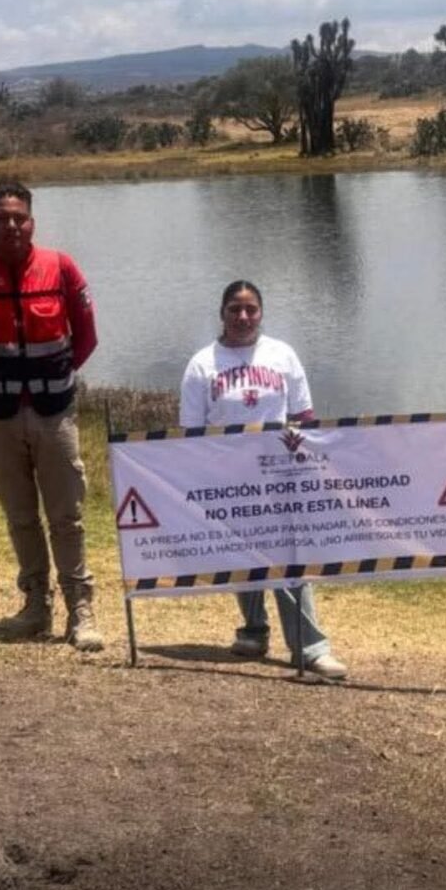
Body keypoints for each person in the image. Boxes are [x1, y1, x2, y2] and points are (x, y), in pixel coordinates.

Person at [0, 178, 103, 651]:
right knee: (20, 516)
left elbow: (86, 338)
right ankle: (36, 606)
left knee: (67, 515)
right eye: (1, 218)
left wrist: (53, 378)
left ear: (32, 221)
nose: (11, 225)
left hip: (54, 414)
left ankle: (80, 610)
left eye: (19, 217)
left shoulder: (61, 267)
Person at [179, 280, 347, 679]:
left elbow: (305, 418)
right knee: (244, 558)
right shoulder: (203, 364)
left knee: (288, 559)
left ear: (261, 312)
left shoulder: (282, 355)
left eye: (251, 309)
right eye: (235, 309)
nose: (243, 317)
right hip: (230, 478)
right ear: (221, 313)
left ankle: (310, 647)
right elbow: (190, 431)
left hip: (280, 476)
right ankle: (253, 631)